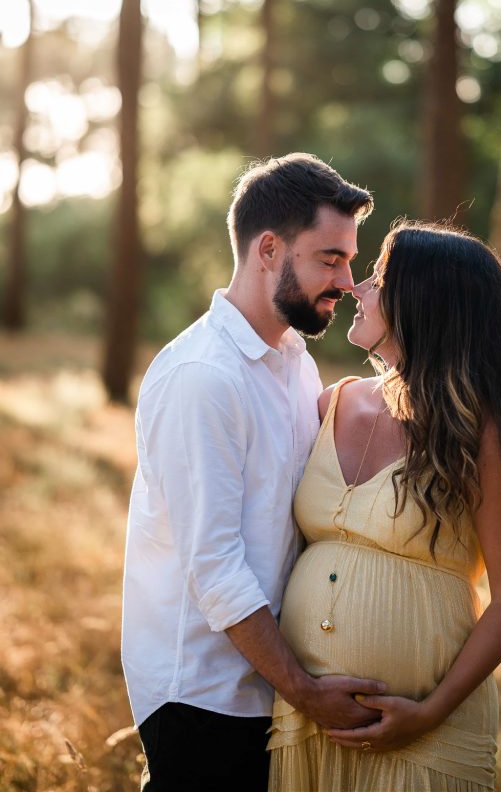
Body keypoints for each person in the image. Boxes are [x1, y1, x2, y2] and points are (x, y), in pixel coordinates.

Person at [268, 221, 501, 792]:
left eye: (380, 278)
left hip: (426, 735)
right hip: (308, 719)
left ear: (424, 302)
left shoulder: (481, 430)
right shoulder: (330, 402)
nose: (356, 288)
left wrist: (429, 712)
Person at [121, 153, 389, 792]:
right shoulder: (203, 378)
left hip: (268, 695)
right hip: (205, 700)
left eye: (350, 260)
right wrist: (304, 691)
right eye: (330, 258)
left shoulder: (293, 360)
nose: (348, 281)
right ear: (269, 249)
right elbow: (215, 567)